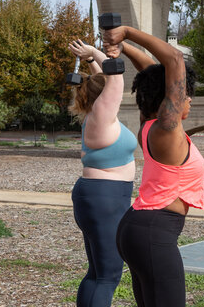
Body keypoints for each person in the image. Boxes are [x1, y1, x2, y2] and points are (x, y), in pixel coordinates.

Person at [102, 28, 204, 307]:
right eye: (185, 94)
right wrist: (127, 33)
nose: (189, 99)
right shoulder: (166, 131)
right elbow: (173, 60)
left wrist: (124, 48)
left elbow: (152, 73)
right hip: (152, 231)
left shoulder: (149, 126)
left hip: (140, 228)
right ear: (169, 101)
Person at [67, 39, 137, 307]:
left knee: (97, 273)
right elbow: (115, 79)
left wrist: (89, 60)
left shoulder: (98, 116)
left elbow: (103, 79)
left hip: (100, 196)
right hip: (105, 198)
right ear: (104, 96)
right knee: (108, 276)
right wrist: (93, 51)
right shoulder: (101, 115)